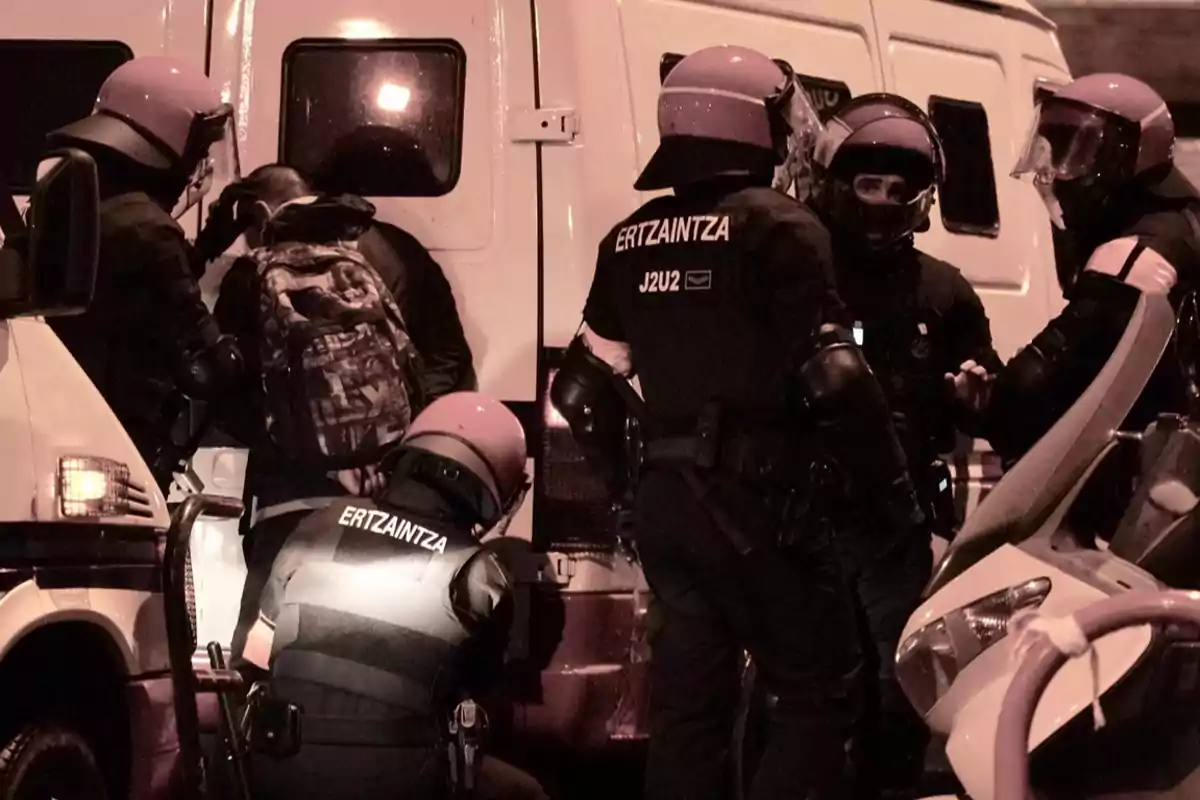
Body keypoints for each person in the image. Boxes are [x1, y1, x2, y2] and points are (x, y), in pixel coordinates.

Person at [550, 45, 925, 800]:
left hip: (668, 509)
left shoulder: (629, 236)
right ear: (748, 121)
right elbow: (836, 377)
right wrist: (892, 501)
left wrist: (634, 483)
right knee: (819, 694)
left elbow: (581, 390)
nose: (796, 133)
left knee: (689, 706)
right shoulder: (780, 227)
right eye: (784, 113)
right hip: (761, 509)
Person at [807, 93, 1003, 800]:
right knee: (811, 690)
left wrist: (978, 394)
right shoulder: (799, 268)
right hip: (803, 517)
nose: (883, 201)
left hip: (898, 524)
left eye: (899, 189)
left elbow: (994, 395)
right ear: (836, 181)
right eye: (868, 184)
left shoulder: (944, 293)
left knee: (900, 687)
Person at [234, 391, 546, 800]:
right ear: (493, 488)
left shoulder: (316, 526)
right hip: (396, 781)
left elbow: (258, 656)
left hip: (278, 771)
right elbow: (477, 697)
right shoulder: (479, 573)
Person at [212, 164, 424, 657]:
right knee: (363, 634)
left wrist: (284, 442)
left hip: (289, 495)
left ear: (261, 213)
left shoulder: (250, 275)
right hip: (374, 489)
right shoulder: (364, 265)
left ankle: (255, 715)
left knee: (263, 633)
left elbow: (228, 388)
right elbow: (407, 365)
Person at [973, 74, 1200, 528]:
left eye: (1076, 150)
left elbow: (1039, 385)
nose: (1056, 169)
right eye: (1051, 148)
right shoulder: (1182, 224)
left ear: (1126, 156)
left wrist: (982, 400)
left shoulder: (1138, 254)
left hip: (1144, 499)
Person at [41, 56, 245, 484]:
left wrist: (207, 242)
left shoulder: (76, 196)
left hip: (63, 420)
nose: (199, 162)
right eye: (200, 149)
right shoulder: (147, 229)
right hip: (116, 439)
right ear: (171, 136)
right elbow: (203, 358)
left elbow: (140, 281)